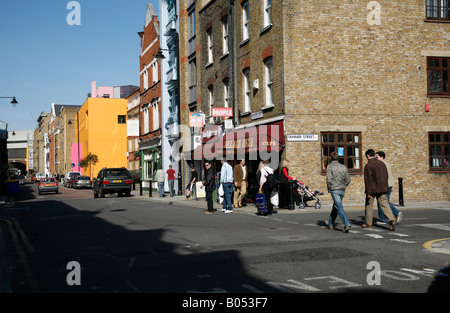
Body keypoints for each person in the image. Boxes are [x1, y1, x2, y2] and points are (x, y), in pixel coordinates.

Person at [362, 149, 396, 231]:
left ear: (367, 156)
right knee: (385, 204)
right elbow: (386, 176)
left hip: (373, 189)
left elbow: (368, 180)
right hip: (383, 188)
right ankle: (391, 219)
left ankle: (368, 223)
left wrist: (368, 192)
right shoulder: (382, 164)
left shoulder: (368, 166)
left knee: (369, 206)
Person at [326, 151, 351, 232]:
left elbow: (329, 179)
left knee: (339, 207)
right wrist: (344, 185)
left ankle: (346, 224)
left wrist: (330, 188)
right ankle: (330, 223)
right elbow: (348, 179)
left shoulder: (330, 166)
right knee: (336, 206)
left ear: (330, 158)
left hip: (334, 189)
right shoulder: (343, 166)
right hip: (342, 189)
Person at [375, 151, 403, 225]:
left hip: (384, 186)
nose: (376, 159)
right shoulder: (387, 164)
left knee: (382, 202)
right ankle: (386, 217)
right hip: (389, 185)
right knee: (384, 201)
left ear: (382, 157)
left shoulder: (381, 165)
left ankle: (386, 217)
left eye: (377, 157)